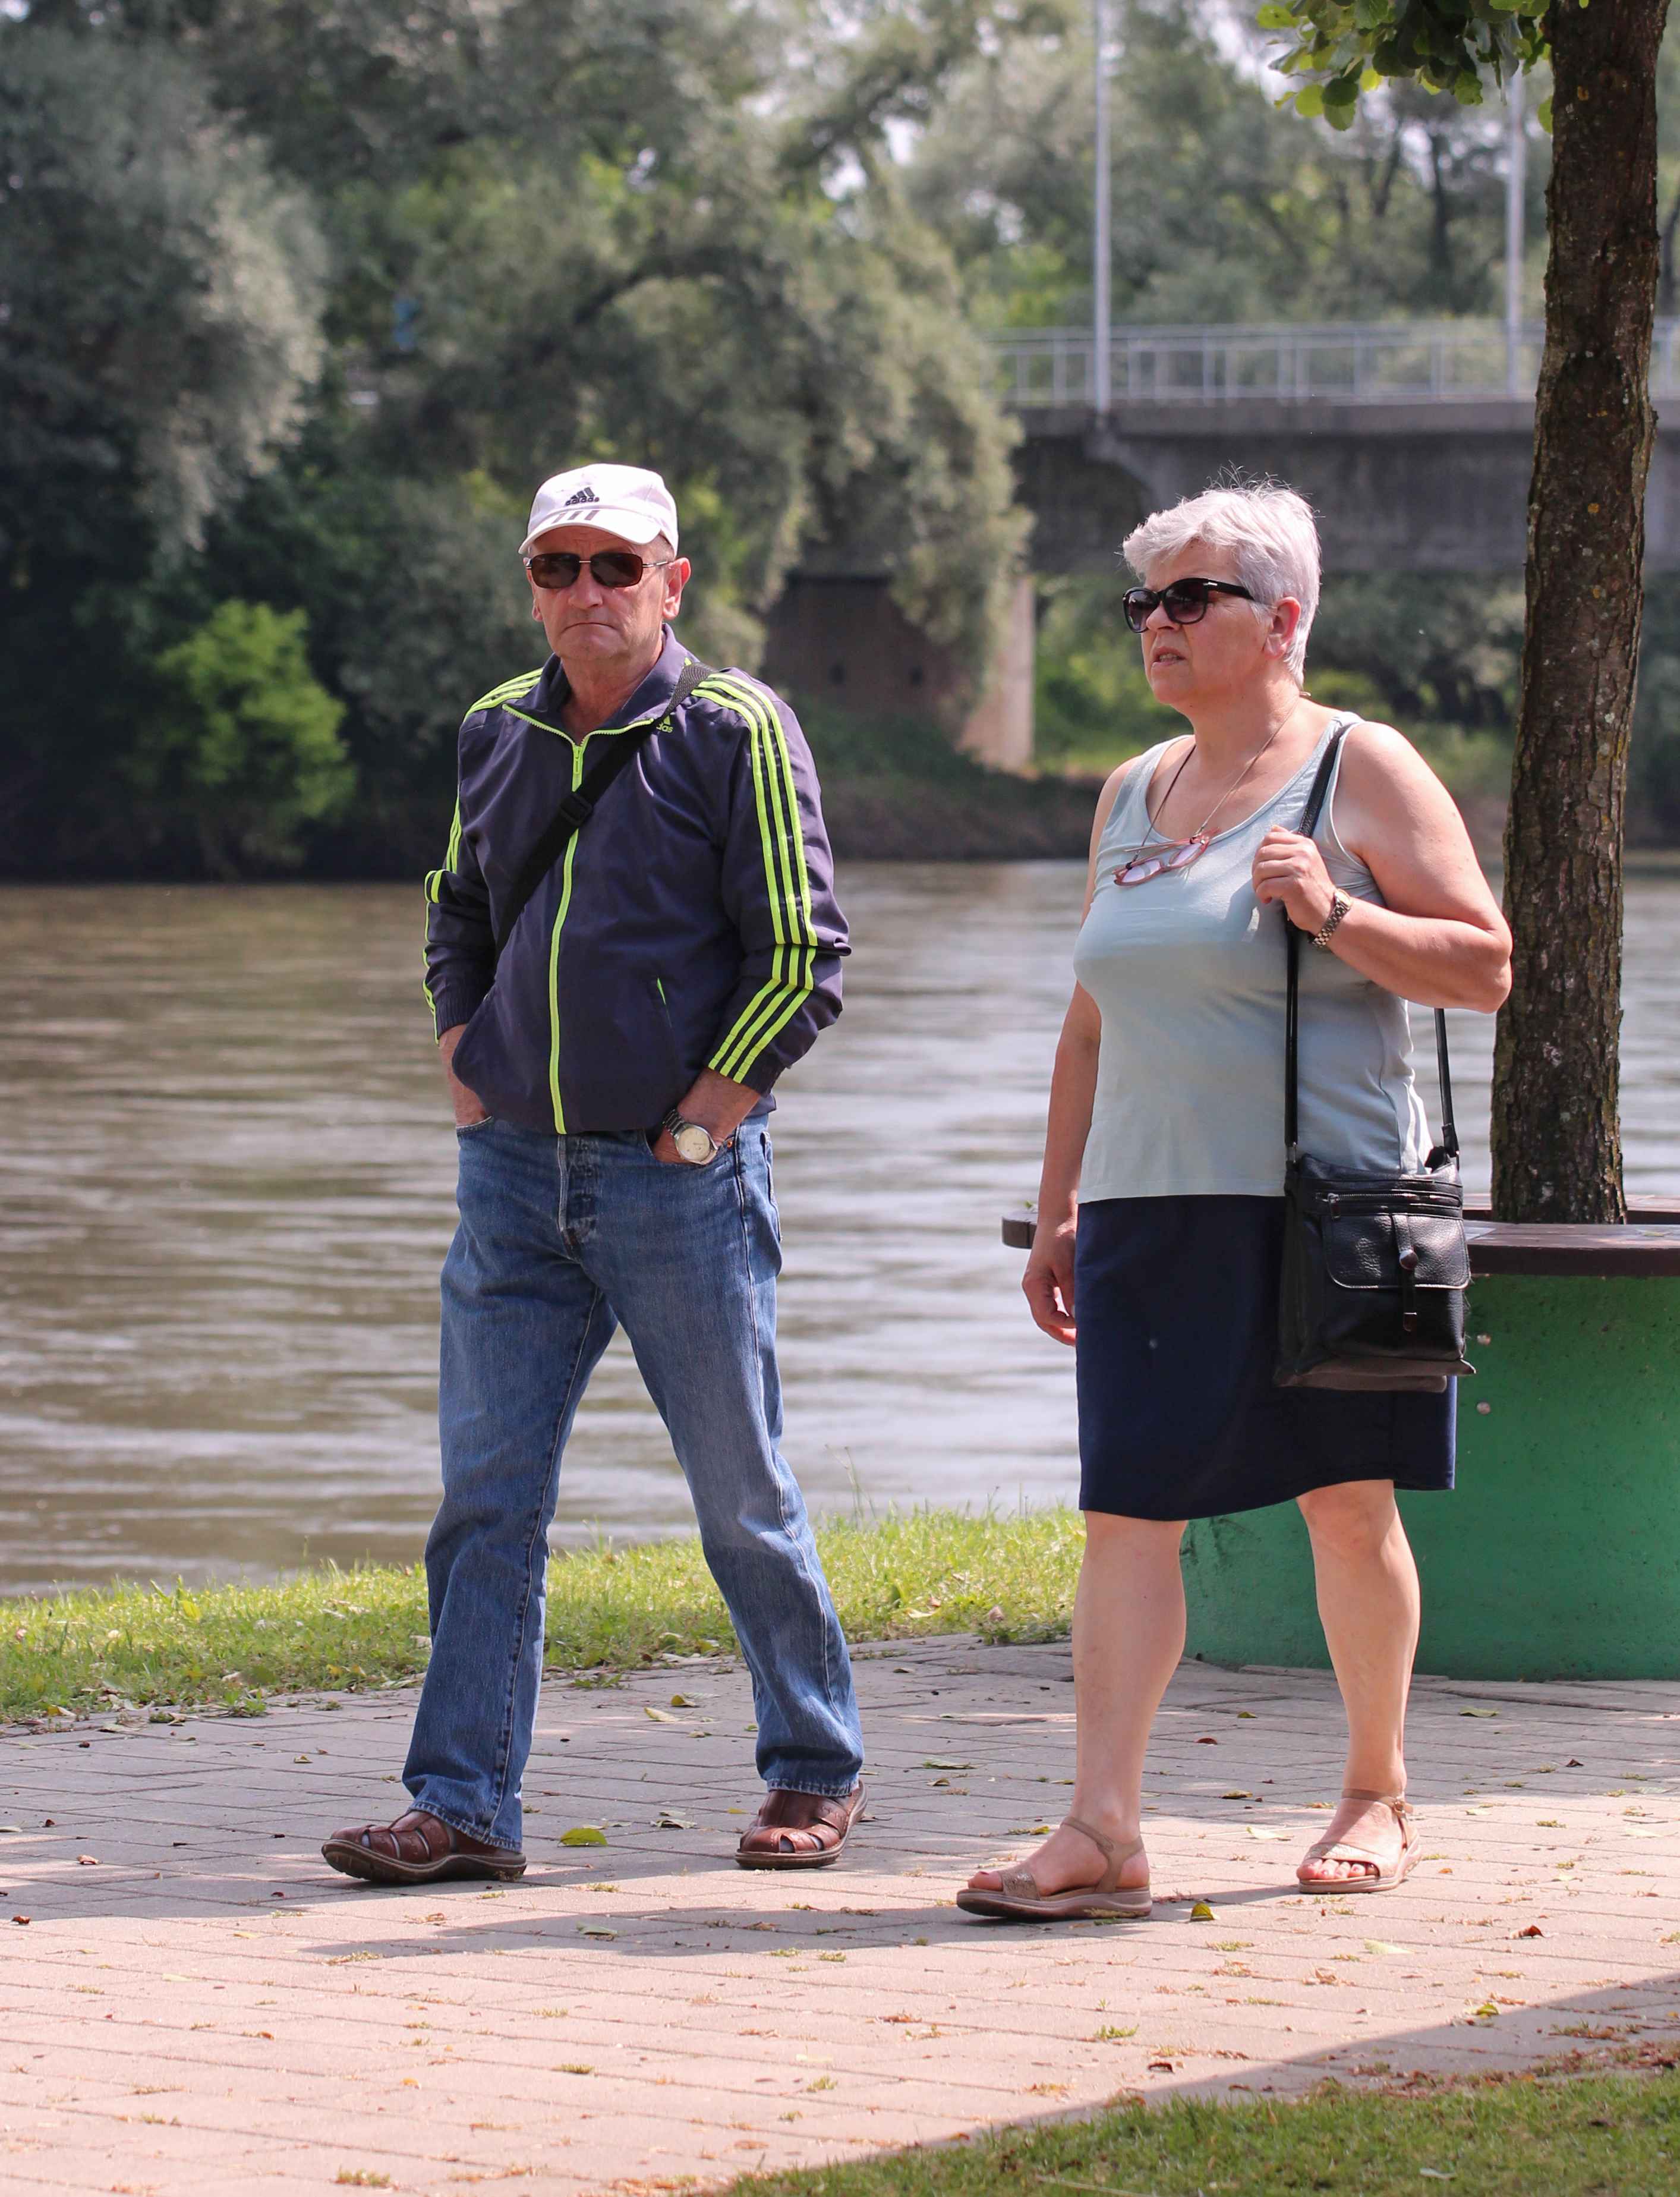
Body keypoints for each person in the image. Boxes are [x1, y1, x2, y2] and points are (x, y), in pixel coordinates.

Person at [959, 480, 1511, 1923]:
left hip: (1317, 1209)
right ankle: (1102, 1828)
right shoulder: (1128, 790)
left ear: (1282, 619)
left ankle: (1376, 1791)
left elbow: (1482, 964)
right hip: (1150, 1209)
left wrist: (1336, 910)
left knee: (1343, 1503)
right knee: (1125, 1516)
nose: (1157, 624)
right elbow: (1090, 1020)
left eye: (1188, 598)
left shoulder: (1358, 768)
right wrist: (1060, 1205)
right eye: (1143, 601)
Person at [323, 462, 866, 1886]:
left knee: (739, 1496)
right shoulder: (494, 731)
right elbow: (457, 907)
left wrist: (697, 1128)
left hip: (674, 1181)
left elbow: (802, 953)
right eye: (556, 568)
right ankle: (462, 1807)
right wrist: (465, 1064)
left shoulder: (735, 729)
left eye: (614, 567)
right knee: (483, 1504)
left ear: (671, 580)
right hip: (510, 1179)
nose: (584, 594)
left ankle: (813, 1768)